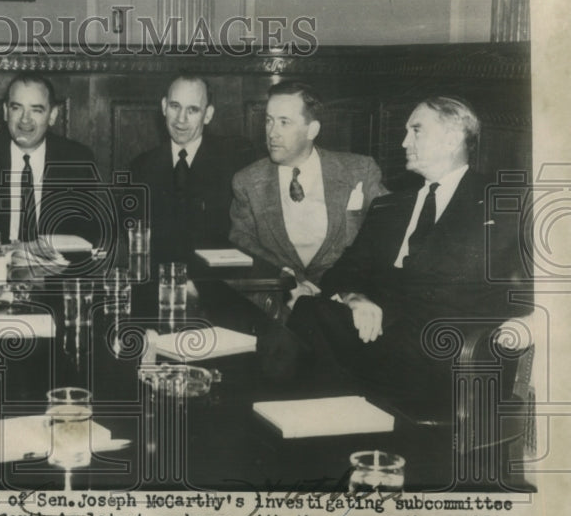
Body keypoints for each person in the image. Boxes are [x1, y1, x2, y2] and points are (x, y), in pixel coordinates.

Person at [287, 96, 526, 418]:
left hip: (446, 354)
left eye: (416, 131)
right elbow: (342, 272)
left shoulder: (500, 204)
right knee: (306, 311)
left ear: (452, 139)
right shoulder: (389, 207)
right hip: (383, 339)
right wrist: (356, 298)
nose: (403, 142)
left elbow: (520, 296)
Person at [229, 81, 386, 302]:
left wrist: (353, 293)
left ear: (312, 130)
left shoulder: (359, 171)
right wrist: (284, 281)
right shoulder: (247, 182)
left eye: (284, 122)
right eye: (269, 120)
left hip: (346, 301)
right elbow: (242, 245)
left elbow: (388, 236)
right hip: (281, 303)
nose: (272, 133)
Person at [0, 72, 101, 245]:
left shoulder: (76, 160)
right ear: (6, 112)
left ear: (52, 115)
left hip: (53, 260)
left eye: (36, 110)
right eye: (17, 108)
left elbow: (87, 231)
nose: (25, 120)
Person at [129, 74, 255, 262]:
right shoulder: (141, 167)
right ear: (164, 107)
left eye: (192, 110)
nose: (181, 119)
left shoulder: (234, 166)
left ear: (208, 115)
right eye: (175, 106)